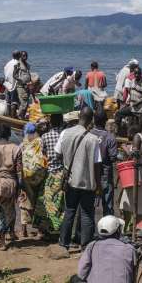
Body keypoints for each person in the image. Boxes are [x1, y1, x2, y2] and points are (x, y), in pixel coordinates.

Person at [70, 215, 137, 283]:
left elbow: (81, 274)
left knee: (74, 280)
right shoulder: (129, 249)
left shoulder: (92, 246)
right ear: (117, 231)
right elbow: (132, 279)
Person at [55, 107, 102, 256]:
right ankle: (85, 247)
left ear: (79, 116)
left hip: (70, 180)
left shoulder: (65, 133)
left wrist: (68, 163)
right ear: (91, 120)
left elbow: (57, 154)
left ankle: (64, 244)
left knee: (69, 212)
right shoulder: (93, 139)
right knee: (87, 214)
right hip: (88, 182)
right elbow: (97, 164)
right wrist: (98, 185)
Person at [37, 114, 66, 239]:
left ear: (51, 123)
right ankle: (59, 230)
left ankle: (44, 230)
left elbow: (42, 155)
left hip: (49, 173)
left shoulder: (45, 136)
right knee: (60, 202)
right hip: (63, 174)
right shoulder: (65, 135)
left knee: (46, 202)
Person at [20, 123, 48, 238]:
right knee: (39, 201)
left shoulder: (24, 143)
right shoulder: (40, 141)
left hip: (26, 175)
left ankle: (24, 229)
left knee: (24, 199)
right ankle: (40, 230)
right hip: (38, 176)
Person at [91, 110, 117, 217]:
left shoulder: (88, 134)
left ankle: (88, 227)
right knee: (108, 205)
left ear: (94, 120)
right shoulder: (110, 137)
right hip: (105, 174)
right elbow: (113, 157)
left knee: (89, 206)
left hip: (90, 174)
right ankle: (108, 226)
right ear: (105, 121)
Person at [12, 51, 33, 118]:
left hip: (27, 86)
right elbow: (14, 75)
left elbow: (28, 74)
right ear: (20, 56)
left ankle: (22, 117)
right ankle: (18, 116)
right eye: (23, 56)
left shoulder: (27, 65)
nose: (25, 57)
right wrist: (22, 81)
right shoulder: (18, 64)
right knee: (23, 103)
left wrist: (30, 82)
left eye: (26, 56)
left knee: (26, 104)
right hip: (21, 86)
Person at [4, 51, 22, 116]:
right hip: (14, 85)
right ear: (19, 56)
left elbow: (5, 73)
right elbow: (19, 75)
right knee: (14, 102)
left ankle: (8, 116)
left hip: (7, 84)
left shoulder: (8, 63)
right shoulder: (18, 63)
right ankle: (13, 117)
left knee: (8, 102)